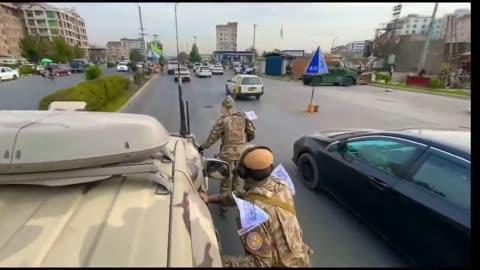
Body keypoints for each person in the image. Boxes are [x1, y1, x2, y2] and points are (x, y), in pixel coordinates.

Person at [200, 146, 313, 267]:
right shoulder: (281, 184)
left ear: (242, 173)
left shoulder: (251, 212)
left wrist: (216, 261)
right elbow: (244, 194)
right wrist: (211, 199)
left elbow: (260, 263)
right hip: (301, 259)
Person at [198, 96, 256, 216]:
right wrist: (243, 143)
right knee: (237, 179)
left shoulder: (222, 120)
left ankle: (224, 206)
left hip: (227, 156)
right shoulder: (243, 117)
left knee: (225, 181)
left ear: (223, 107)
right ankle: (236, 202)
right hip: (241, 155)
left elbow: (212, 137)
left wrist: (202, 147)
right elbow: (252, 132)